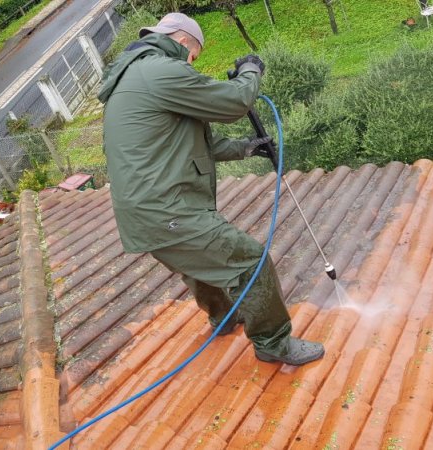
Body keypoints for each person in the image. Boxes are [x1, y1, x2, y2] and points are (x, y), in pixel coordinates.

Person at [97, 12, 324, 366]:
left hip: (145, 212)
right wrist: (251, 70)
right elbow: (234, 102)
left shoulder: (136, 77)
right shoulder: (159, 70)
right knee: (250, 260)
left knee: (200, 261)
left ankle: (224, 317)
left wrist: (248, 146)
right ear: (183, 41)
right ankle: (274, 344)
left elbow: (198, 143)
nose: (192, 64)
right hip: (167, 208)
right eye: (195, 56)